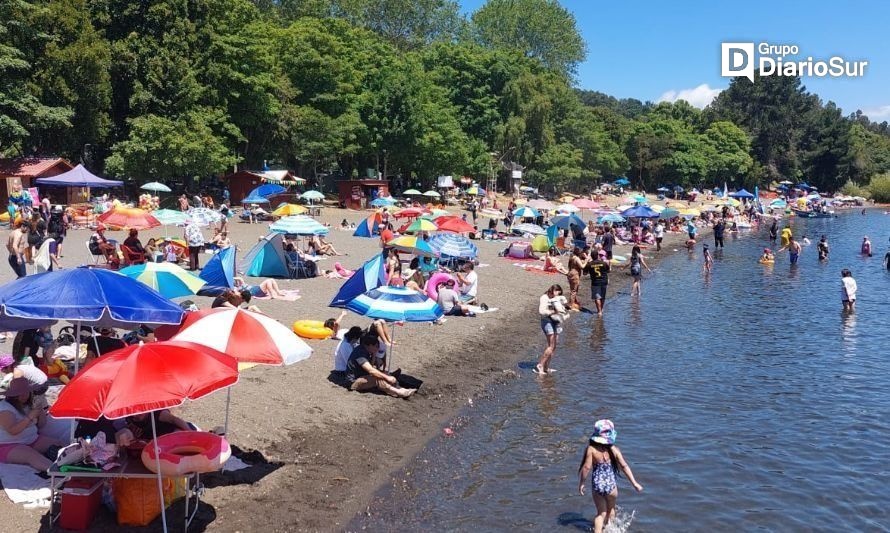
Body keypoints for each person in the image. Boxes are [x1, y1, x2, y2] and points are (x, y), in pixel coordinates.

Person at [577, 419, 643, 533]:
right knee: (611, 509)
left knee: (600, 513)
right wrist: (634, 483)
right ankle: (611, 530)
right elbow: (624, 466)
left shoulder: (591, 449)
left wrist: (581, 483)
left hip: (597, 486)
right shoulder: (614, 450)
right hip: (611, 486)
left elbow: (586, 468)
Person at [0, 378, 66, 471]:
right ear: (13, 395)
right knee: (33, 457)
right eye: (19, 394)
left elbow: (41, 425)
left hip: (31, 440)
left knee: (61, 445)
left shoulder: (28, 404)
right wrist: (30, 416)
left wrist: (39, 411)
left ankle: (76, 466)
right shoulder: (5, 409)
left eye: (26, 392)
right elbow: (12, 431)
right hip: (9, 444)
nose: (23, 396)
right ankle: (59, 474)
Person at [345, 335, 416, 398]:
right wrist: (387, 377)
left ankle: (399, 388)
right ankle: (398, 392)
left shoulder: (365, 351)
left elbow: (371, 366)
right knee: (378, 378)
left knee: (382, 374)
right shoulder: (360, 353)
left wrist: (374, 354)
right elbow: (371, 370)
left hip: (362, 376)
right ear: (370, 345)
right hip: (353, 382)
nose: (378, 348)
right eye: (376, 346)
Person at [536, 284, 567, 374]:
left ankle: (546, 367)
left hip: (555, 321)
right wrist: (554, 311)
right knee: (551, 345)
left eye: (559, 293)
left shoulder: (558, 299)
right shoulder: (544, 298)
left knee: (554, 346)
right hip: (547, 321)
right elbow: (541, 311)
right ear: (552, 290)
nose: (558, 295)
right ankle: (540, 365)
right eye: (557, 292)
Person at [588, 251, 611, 316]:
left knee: (597, 297)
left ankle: (599, 311)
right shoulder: (603, 263)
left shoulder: (589, 264)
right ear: (597, 255)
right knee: (602, 296)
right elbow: (608, 271)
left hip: (595, 282)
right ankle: (601, 309)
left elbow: (585, 273)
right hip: (604, 281)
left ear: (592, 256)